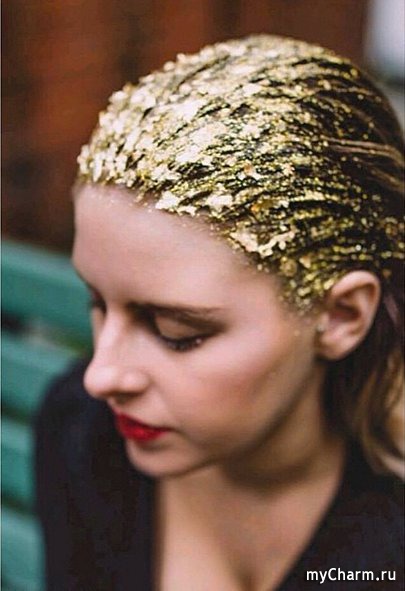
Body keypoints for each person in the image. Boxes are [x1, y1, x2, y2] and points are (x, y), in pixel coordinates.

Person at [35, 35, 404, 590]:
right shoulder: (83, 437)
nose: (101, 375)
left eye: (176, 332)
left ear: (341, 316)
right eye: (98, 303)